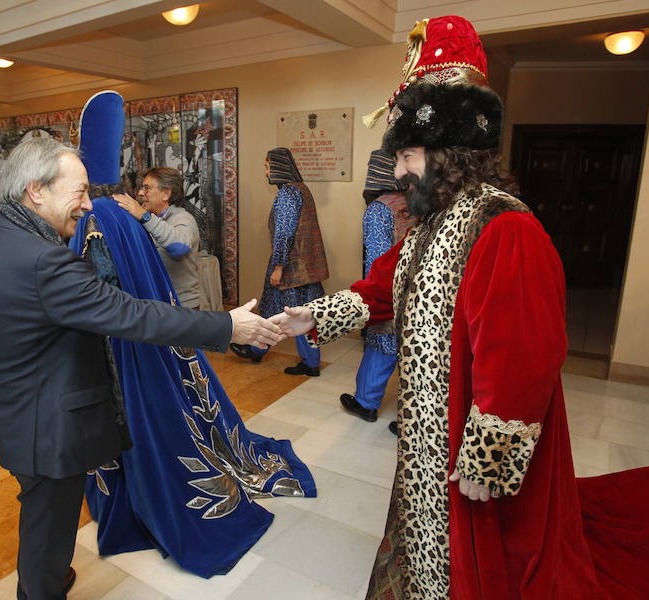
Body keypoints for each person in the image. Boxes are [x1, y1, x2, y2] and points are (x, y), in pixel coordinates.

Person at [270, 16, 649, 600]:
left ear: (450, 154)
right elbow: (382, 287)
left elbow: (526, 355)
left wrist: (488, 457)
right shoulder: (430, 224)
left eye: (409, 156)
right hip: (425, 432)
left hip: (465, 446)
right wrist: (315, 316)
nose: (398, 173)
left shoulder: (505, 227)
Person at [0, 133, 284, 600]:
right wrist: (225, 325)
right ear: (36, 191)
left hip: (6, 412)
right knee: (51, 515)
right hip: (47, 427)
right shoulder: (46, 261)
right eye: (80, 191)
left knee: (38, 506)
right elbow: (133, 314)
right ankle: (39, 589)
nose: (89, 206)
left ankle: (45, 575)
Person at [71, 197, 316, 578]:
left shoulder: (99, 221)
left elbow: (112, 289)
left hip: (132, 332)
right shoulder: (114, 218)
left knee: (145, 419)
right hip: (151, 325)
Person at [230, 148, 329, 376]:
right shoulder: (303, 189)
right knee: (304, 314)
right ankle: (304, 360)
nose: (265, 172)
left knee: (281, 312)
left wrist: (278, 267)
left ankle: (257, 350)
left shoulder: (287, 194)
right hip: (306, 267)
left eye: (266, 167)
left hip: (291, 269)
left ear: (276, 168)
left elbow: (284, 234)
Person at [339, 150, 412, 423]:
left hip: (389, 294)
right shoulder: (415, 202)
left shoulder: (380, 209)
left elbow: (377, 261)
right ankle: (412, 418)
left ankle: (365, 402)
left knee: (381, 343)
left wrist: (370, 300)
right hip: (416, 291)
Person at [113, 166, 203, 308]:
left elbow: (180, 247)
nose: (140, 193)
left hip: (183, 307)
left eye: (147, 188)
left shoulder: (184, 218)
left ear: (166, 194)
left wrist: (143, 215)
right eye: (142, 187)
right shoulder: (151, 220)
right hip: (158, 304)